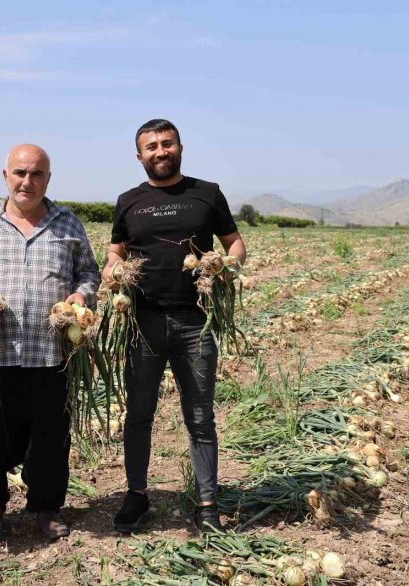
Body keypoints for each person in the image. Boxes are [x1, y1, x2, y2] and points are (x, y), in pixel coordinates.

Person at [0, 144, 99, 542]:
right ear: (6, 176)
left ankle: (45, 510)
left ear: (48, 178)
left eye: (36, 174)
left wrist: (81, 295)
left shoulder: (68, 224)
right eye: (20, 173)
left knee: (50, 437)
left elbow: (89, 274)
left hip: (52, 353)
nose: (27, 181)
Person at [104, 119, 247, 533]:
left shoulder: (207, 193)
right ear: (139, 156)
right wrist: (113, 271)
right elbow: (115, 252)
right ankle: (137, 495)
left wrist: (225, 266)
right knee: (138, 414)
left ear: (180, 148)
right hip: (142, 324)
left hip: (195, 322)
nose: (160, 151)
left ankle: (207, 504)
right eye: (151, 146)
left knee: (200, 417)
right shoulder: (128, 200)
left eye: (167, 144)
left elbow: (234, 243)